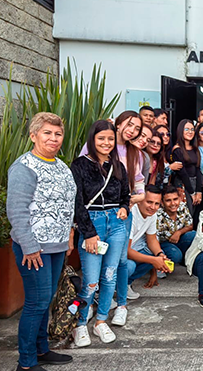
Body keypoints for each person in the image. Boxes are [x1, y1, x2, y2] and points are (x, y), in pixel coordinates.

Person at [7, 112, 76, 371]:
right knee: (37, 301)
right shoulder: (24, 167)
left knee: (46, 299)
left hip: (57, 246)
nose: (53, 138)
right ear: (33, 135)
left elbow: (67, 205)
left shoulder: (61, 166)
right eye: (47, 133)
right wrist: (29, 245)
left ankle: (41, 349)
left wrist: (69, 235)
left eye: (58, 134)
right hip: (33, 249)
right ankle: (26, 363)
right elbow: (17, 210)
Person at [70, 120, 130, 347]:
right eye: (101, 138)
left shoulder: (119, 166)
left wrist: (124, 207)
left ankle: (101, 320)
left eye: (110, 139)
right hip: (92, 223)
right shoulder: (79, 165)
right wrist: (88, 234)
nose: (106, 143)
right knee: (91, 281)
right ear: (92, 140)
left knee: (110, 276)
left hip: (116, 223)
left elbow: (126, 195)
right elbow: (77, 204)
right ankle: (80, 324)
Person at [125, 186, 182, 297]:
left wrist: (160, 255)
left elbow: (152, 239)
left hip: (135, 248)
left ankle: (125, 284)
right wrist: (154, 260)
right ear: (140, 200)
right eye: (149, 202)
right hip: (119, 253)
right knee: (129, 266)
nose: (153, 207)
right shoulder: (131, 214)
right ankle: (112, 287)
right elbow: (126, 251)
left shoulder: (152, 215)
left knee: (158, 255)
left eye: (156, 204)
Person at [172, 119, 203, 219]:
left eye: (192, 129)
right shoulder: (177, 150)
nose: (190, 132)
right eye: (186, 129)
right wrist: (192, 193)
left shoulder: (195, 149)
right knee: (186, 214)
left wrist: (199, 191)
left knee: (195, 214)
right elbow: (183, 173)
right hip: (183, 185)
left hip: (195, 183)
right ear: (181, 130)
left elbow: (198, 169)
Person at [157, 185, 196, 259]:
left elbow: (190, 225)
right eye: (168, 200)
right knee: (176, 255)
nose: (173, 203)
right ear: (162, 202)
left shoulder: (182, 206)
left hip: (179, 239)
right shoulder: (158, 215)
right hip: (164, 243)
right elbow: (153, 240)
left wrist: (179, 232)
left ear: (180, 199)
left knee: (193, 235)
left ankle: (185, 258)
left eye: (175, 199)